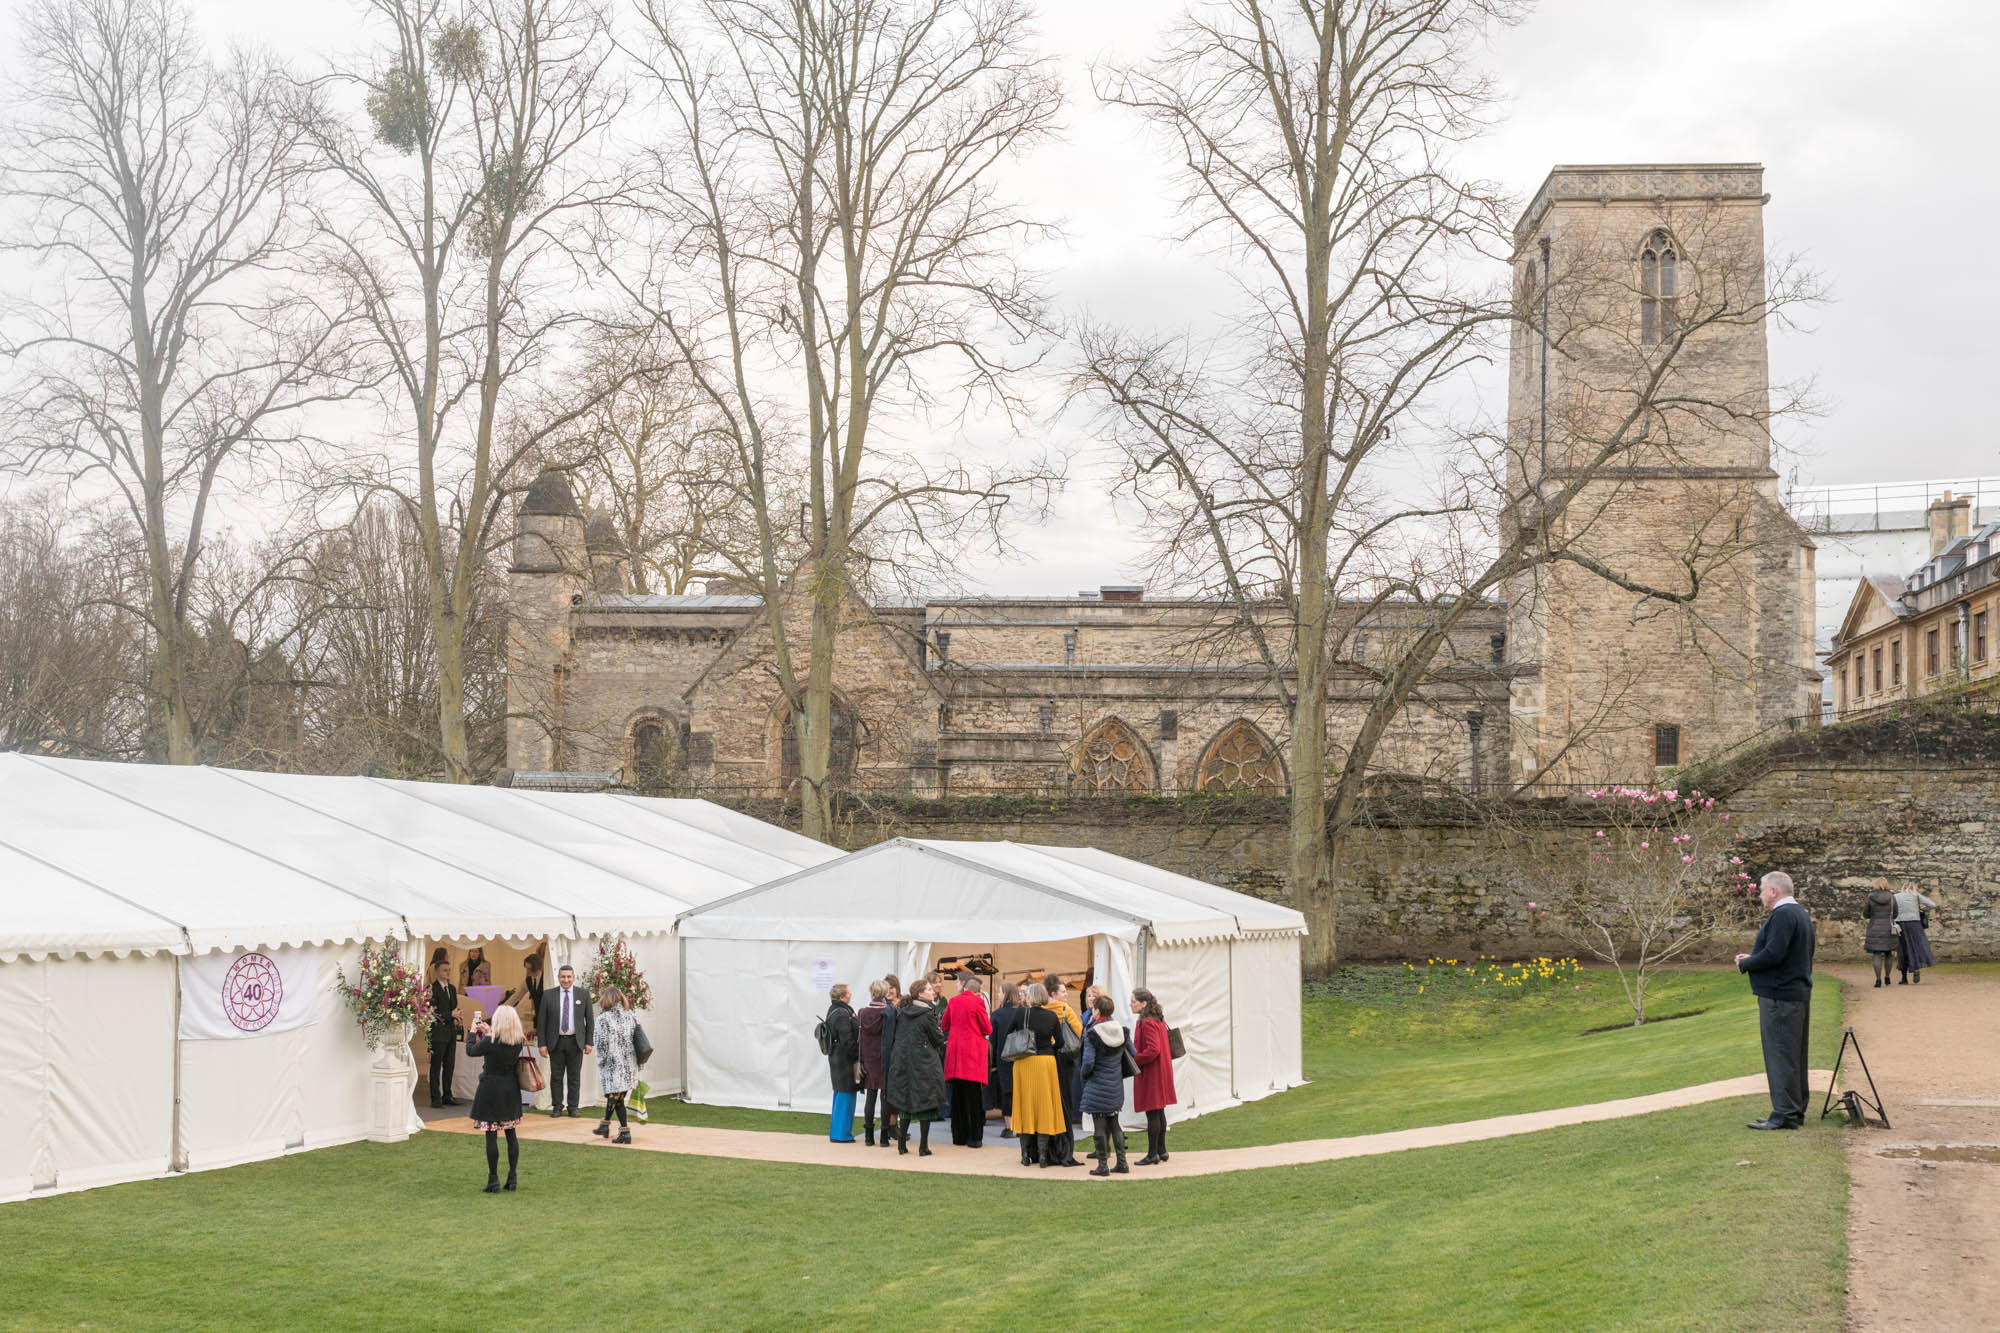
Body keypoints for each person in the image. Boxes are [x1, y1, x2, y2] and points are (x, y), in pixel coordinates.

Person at [1735, 870, 1817, 1131]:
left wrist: (1746, 963)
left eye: (1762, 890)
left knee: (1780, 1053)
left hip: (1781, 995)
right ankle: (1794, 1108)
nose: (1759, 895)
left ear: (1773, 891)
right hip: (1794, 993)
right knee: (1793, 1054)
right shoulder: (1799, 914)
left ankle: (1785, 1113)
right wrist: (1755, 957)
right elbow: (1785, 952)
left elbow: (1774, 954)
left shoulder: (1783, 915)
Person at [1010, 983, 1075, 1168]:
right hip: (1046, 1063)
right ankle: (1043, 1156)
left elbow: (1009, 1034)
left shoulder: (1021, 1014)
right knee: (1045, 1107)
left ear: (1029, 997)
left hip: (1024, 1062)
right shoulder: (1051, 1016)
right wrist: (1047, 1048)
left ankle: (1024, 1155)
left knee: (1025, 1106)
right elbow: (1060, 1042)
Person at [466, 1004, 526, 1192]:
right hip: (510, 1089)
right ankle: (512, 1177)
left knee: (491, 1135)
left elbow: (471, 1050)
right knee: (511, 1134)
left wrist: (471, 1032)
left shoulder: (490, 1041)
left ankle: (493, 1180)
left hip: (491, 1090)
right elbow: (502, 1042)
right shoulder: (519, 1041)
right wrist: (489, 1031)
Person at [886, 978, 946, 1156]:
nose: (932, 992)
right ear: (920, 994)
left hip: (903, 1062)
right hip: (924, 1063)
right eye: (928, 989)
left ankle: (902, 1145)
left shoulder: (902, 1012)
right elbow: (938, 1039)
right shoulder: (928, 1013)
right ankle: (923, 1147)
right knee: (926, 1104)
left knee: (905, 1102)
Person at [1078, 993, 1131, 1176]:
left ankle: (1103, 1165)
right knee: (1115, 1123)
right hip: (1115, 1084)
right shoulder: (1122, 1031)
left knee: (1099, 1125)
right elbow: (1133, 1052)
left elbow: (1088, 1063)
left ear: (1097, 1010)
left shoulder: (1093, 1033)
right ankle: (1122, 1163)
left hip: (1097, 1083)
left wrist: (1084, 1077)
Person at [535, 964, 594, 1117]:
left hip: (576, 1042)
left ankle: (573, 1107)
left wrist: (589, 1042)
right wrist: (542, 1044)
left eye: (569, 977)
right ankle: (557, 1106)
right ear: (558, 978)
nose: (566, 980)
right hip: (556, 1042)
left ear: (573, 977)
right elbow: (541, 1022)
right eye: (563, 977)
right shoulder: (548, 995)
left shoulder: (583, 994)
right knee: (556, 1077)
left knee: (574, 1077)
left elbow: (590, 1021)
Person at [942, 973, 992, 1147]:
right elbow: (987, 1028)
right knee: (974, 1097)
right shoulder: (978, 1002)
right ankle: (975, 1138)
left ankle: (959, 1137)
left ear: (964, 988)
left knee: (957, 1097)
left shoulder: (953, 1001)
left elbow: (944, 1025)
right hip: (971, 1053)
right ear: (978, 992)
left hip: (955, 1053)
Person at [1130, 987, 1177, 1164]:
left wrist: (1135, 1060)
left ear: (1143, 1004)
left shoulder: (1147, 1022)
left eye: (1133, 1001)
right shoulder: (1157, 1020)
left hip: (1152, 1072)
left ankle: (1152, 1154)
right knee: (1159, 1112)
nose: (1130, 1004)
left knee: (1153, 1114)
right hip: (1160, 1070)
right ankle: (1161, 1150)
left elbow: (1153, 1049)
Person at [590, 985, 640, 1144]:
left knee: (615, 1096)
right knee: (618, 1099)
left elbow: (602, 1044)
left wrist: (601, 1061)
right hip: (629, 1063)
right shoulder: (630, 1015)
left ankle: (607, 1125)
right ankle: (622, 1131)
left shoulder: (603, 1019)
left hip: (613, 1063)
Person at [1045, 975, 1084, 1163]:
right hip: (1064, 1058)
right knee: (1065, 1102)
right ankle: (1066, 1148)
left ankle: (1051, 1148)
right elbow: (1079, 1032)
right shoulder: (1065, 1009)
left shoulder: (1042, 1010)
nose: (1066, 994)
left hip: (1047, 1058)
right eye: (1063, 991)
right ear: (1054, 994)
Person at [856, 980, 893, 1146]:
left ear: (871, 993)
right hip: (885, 1059)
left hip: (868, 1058)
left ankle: (869, 1137)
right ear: (885, 993)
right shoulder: (889, 1012)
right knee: (885, 1098)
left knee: (870, 1097)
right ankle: (884, 1138)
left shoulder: (862, 1013)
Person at [823, 984, 861, 1143]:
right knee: (846, 1093)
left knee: (840, 1093)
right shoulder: (842, 1014)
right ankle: (841, 1133)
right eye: (848, 991)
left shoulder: (834, 1010)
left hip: (837, 1057)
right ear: (842, 996)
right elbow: (847, 1040)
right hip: (844, 1059)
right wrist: (857, 1055)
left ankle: (838, 1131)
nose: (851, 993)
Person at [988, 981, 1023, 1139]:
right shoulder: (1024, 1012)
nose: (998, 995)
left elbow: (992, 1042)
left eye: (1000, 992)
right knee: (1021, 1091)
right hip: (1022, 1056)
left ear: (1006, 994)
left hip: (1003, 1058)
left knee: (1007, 1092)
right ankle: (1022, 1124)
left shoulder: (996, 1015)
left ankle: (1009, 1127)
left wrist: (992, 1064)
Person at [427, 961, 460, 1108]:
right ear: (437, 971)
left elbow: (453, 1008)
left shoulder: (452, 989)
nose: (448, 973)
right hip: (438, 1032)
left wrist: (457, 1015)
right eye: (445, 970)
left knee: (449, 1065)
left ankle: (447, 1094)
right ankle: (435, 1097)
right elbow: (432, 1013)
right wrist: (450, 1014)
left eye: (449, 970)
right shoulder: (432, 989)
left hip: (451, 1032)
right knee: (436, 1066)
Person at [1892, 880, 1939, 984]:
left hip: (1901, 924)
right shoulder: (1916, 896)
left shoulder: (1896, 896)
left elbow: (1892, 910)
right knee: (1916, 947)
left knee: (1903, 949)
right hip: (1915, 924)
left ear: (1903, 887)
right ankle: (1916, 968)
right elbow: (1932, 905)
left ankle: (1904, 978)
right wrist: (1922, 910)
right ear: (1913, 888)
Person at [877, 974, 902, 1150]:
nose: (891, 989)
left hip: (897, 1054)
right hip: (886, 1054)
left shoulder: (900, 1005)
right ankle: (889, 1126)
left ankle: (894, 1124)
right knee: (885, 1092)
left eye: (893, 986)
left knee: (896, 1092)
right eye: (888, 986)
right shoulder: (883, 1007)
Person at [1862, 880, 1899, 989]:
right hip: (1889, 929)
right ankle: (1887, 977)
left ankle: (1878, 979)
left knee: (1877, 954)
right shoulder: (1892, 897)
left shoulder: (1870, 897)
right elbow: (1895, 914)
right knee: (1888, 954)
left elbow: (1865, 914)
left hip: (1874, 928)